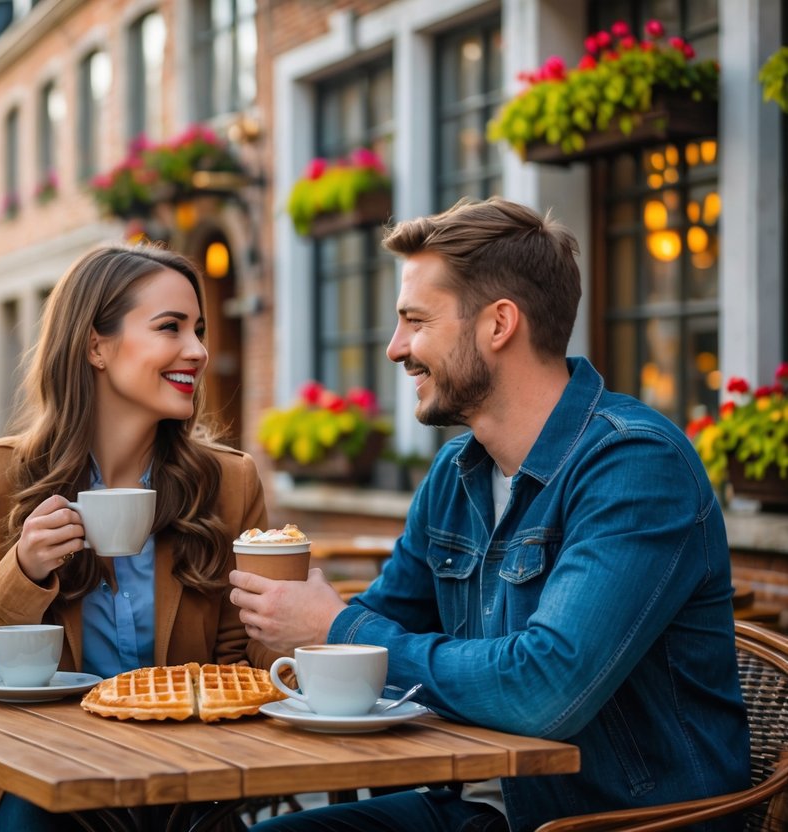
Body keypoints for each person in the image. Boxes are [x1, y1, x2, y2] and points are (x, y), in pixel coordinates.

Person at [230, 197, 750, 832]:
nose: (396, 349)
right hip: (484, 808)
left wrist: (338, 629)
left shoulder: (635, 466)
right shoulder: (456, 474)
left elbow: (544, 689)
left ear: (498, 324)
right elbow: (382, 625)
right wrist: (296, 623)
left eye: (415, 321)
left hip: (617, 820)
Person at [0, 244, 271, 832]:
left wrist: (297, 621)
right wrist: (23, 573)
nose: (199, 351)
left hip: (181, 784)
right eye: (170, 328)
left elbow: (241, 664)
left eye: (199, 330)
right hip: (28, 778)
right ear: (94, 346)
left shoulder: (228, 482)